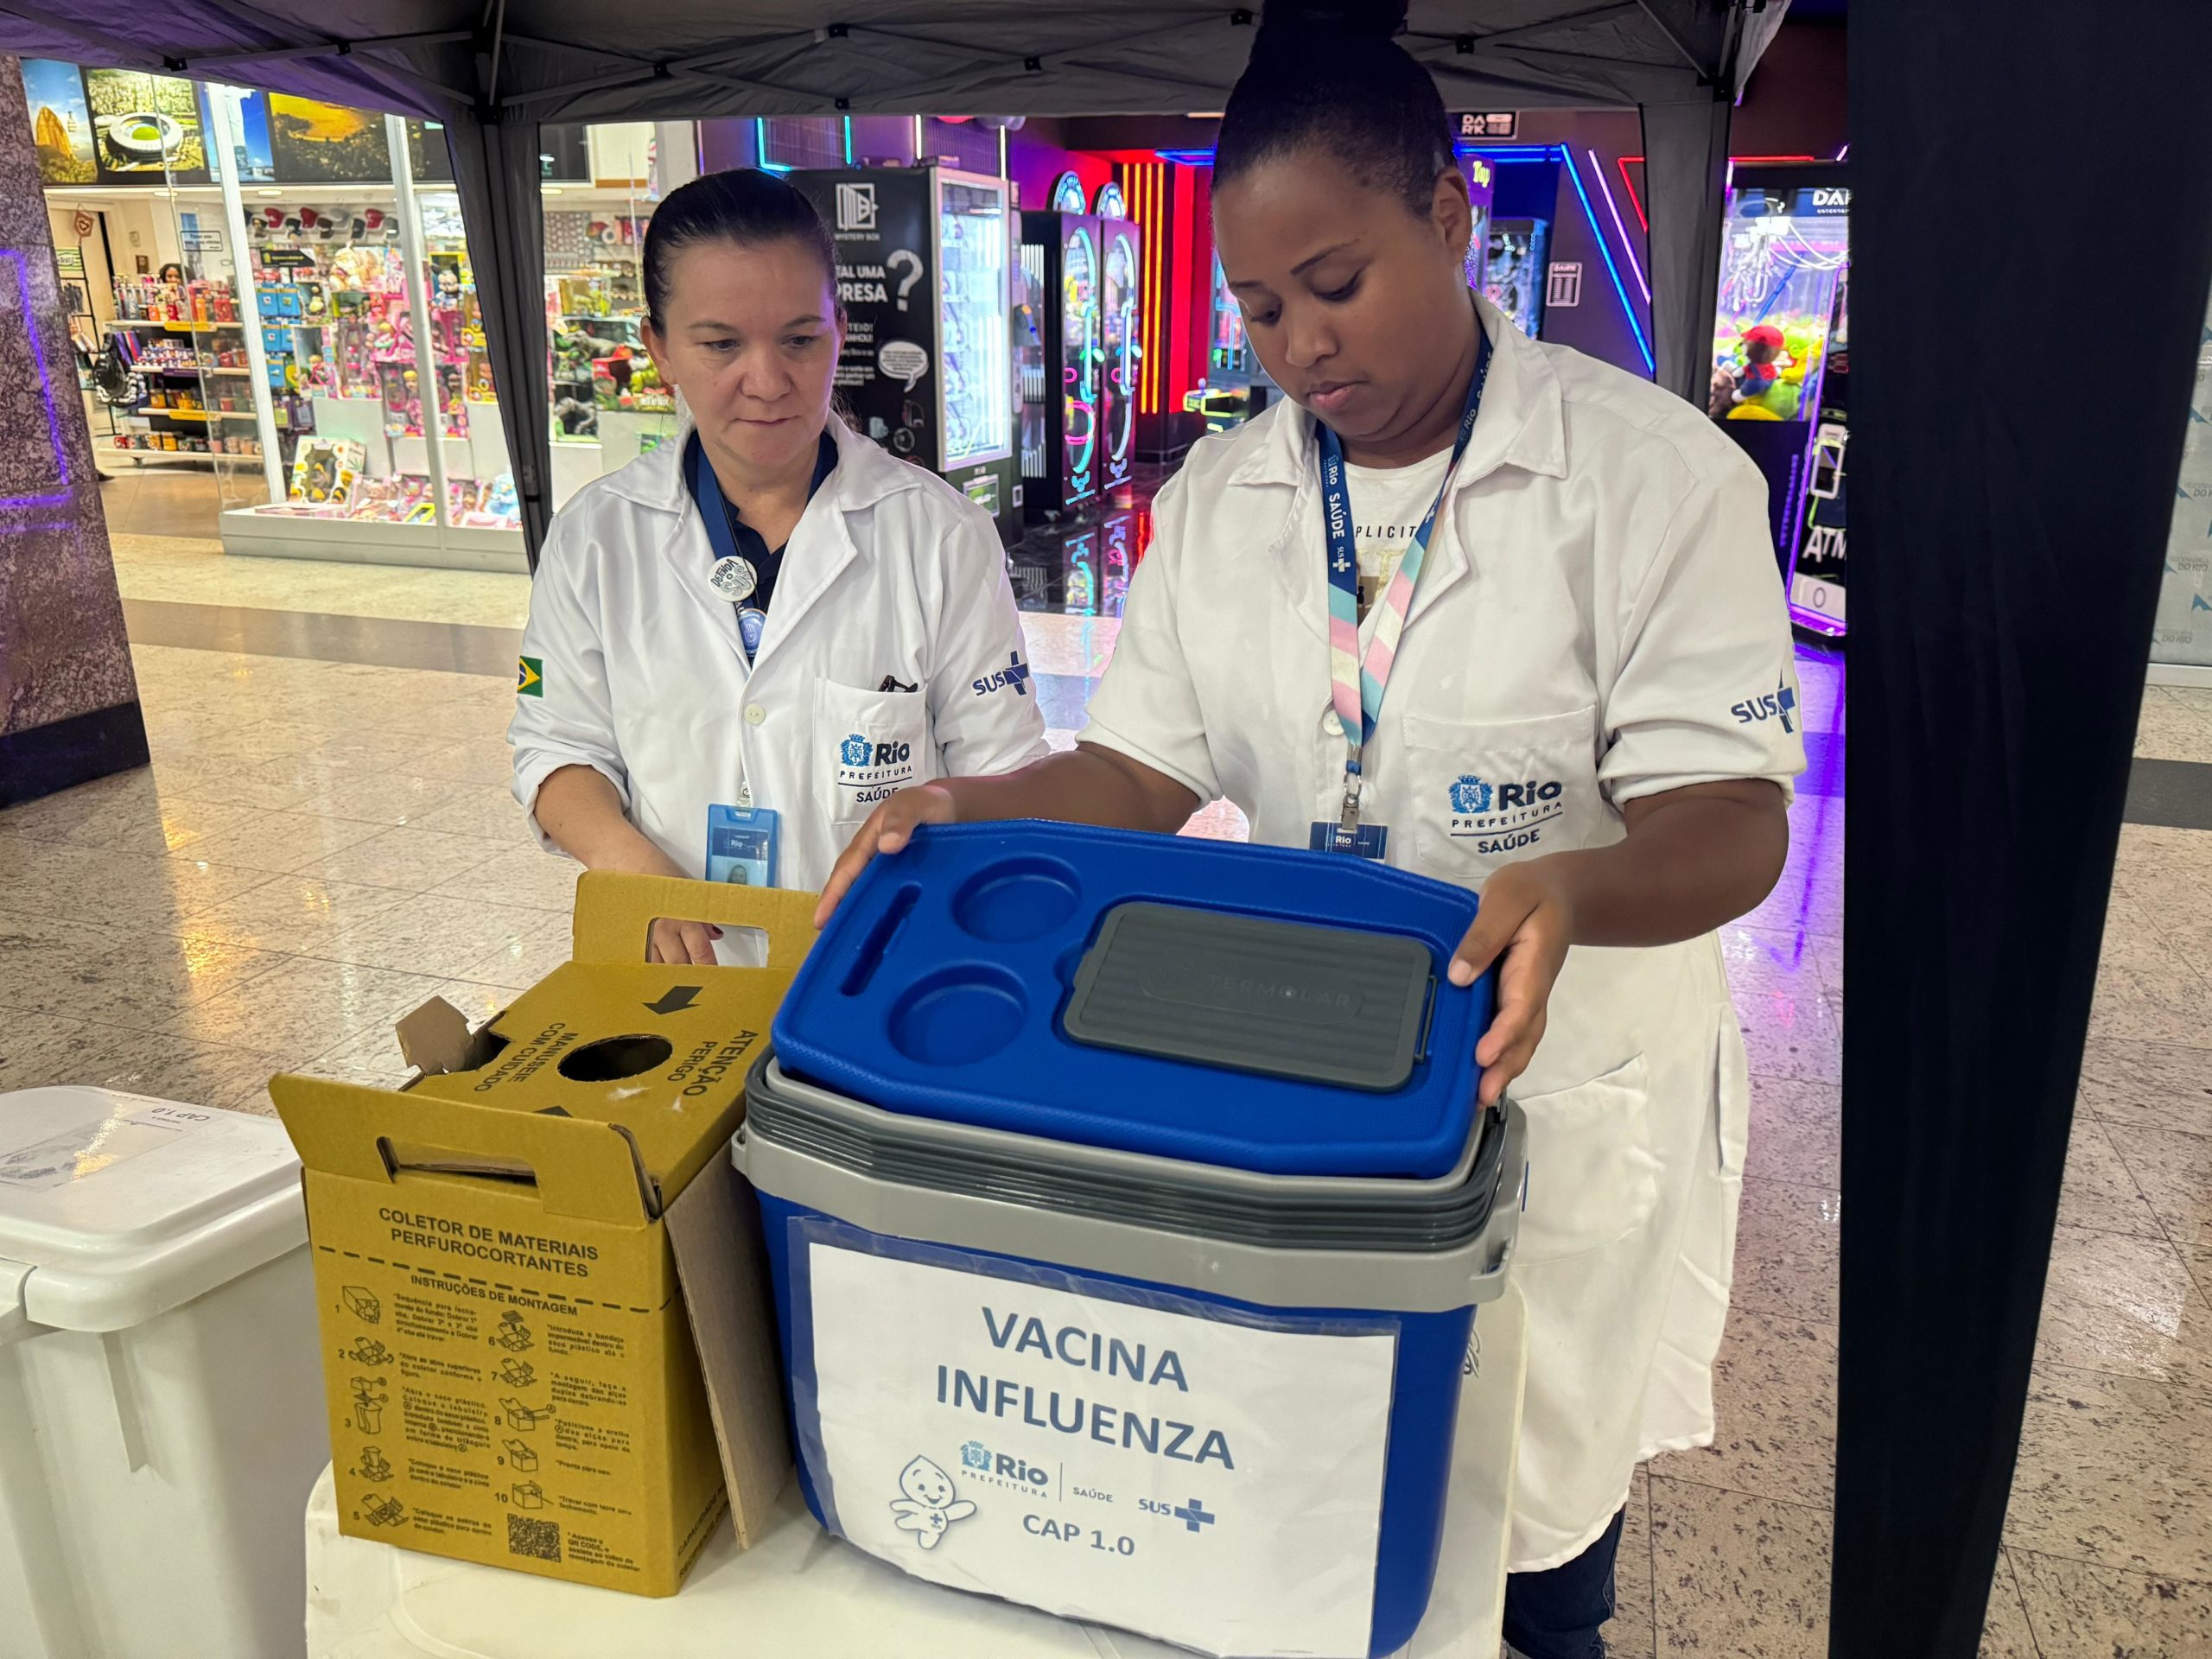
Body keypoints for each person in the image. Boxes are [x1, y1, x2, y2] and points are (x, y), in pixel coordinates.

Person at [818, 10, 1805, 1657]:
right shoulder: (1225, 500)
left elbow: (1736, 821)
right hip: (1315, 1086)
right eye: (1260, 308)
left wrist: (1567, 883)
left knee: (1537, 1537)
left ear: (1450, 218)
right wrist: (963, 806)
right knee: (1330, 1504)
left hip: (1554, 1089)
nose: (1299, 348)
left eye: (1335, 285)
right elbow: (1139, 771)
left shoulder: (1643, 481)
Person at [511, 168, 1047, 965]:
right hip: (676, 971)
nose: (767, 382)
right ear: (659, 347)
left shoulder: (939, 534)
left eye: (801, 339)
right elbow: (554, 748)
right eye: (721, 343)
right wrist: (638, 877)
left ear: (839, 328)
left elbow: (1006, 773)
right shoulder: (598, 536)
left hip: (881, 962)